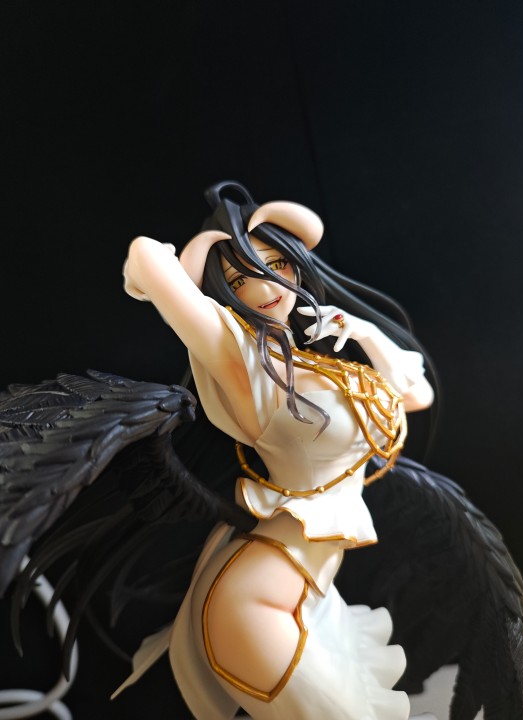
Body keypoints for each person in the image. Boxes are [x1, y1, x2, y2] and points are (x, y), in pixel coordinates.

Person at [117, 180, 436, 720]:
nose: (265, 287)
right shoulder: (238, 357)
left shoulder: (314, 362)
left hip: (311, 599)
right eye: (240, 279)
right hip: (256, 605)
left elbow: (414, 396)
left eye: (276, 266)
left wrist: (362, 332)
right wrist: (213, 240)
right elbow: (145, 256)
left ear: (297, 265)